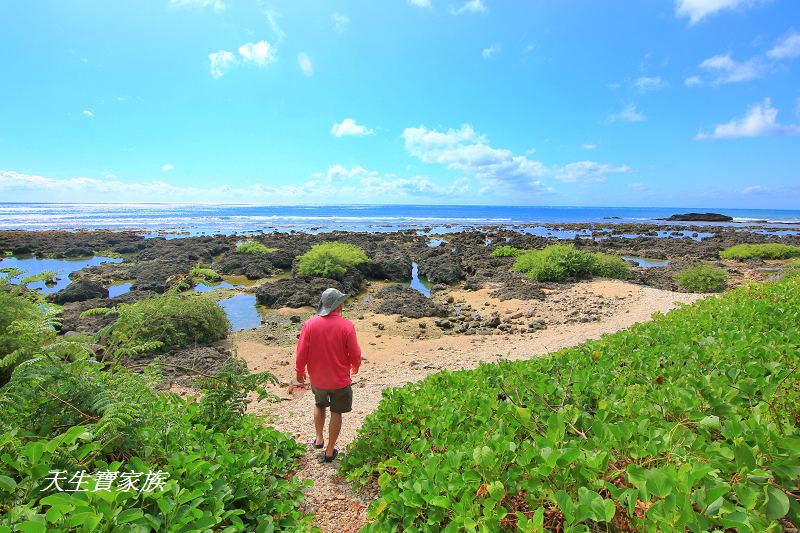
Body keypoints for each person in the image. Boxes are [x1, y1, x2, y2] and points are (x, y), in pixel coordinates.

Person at [295, 287, 362, 463]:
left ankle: (318, 439)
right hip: (340, 380)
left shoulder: (310, 324)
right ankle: (330, 450)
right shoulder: (347, 326)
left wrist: (299, 371)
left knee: (319, 405)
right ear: (339, 305)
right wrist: (356, 365)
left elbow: (301, 352)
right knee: (337, 412)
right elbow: (355, 353)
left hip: (318, 379)